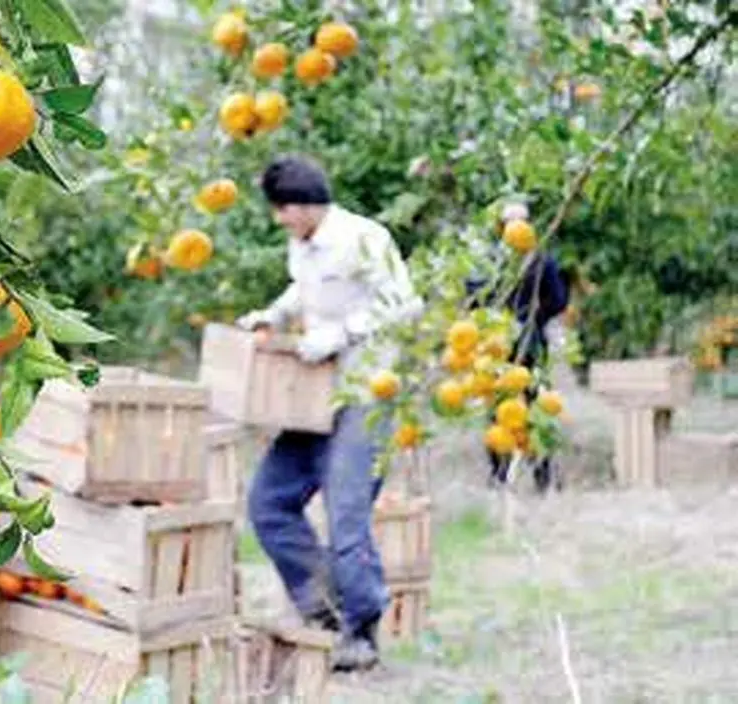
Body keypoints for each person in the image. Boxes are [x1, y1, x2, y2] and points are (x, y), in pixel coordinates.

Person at [236, 155, 422, 671]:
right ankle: (324, 609)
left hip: (363, 391)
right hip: (312, 394)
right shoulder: (301, 246)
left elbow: (403, 304)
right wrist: (275, 313)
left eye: (284, 210)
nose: (280, 220)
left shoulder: (364, 238)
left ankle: (360, 634)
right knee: (268, 504)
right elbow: (306, 290)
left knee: (346, 514)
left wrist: (340, 335)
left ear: (305, 203)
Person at [467, 204, 570, 491]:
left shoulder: (541, 263)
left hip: (531, 343)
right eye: (510, 222)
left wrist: (534, 316)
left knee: (536, 406)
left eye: (521, 221)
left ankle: (542, 472)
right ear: (500, 228)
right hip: (496, 348)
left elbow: (558, 299)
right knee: (498, 409)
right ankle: (499, 472)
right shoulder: (489, 264)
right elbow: (473, 296)